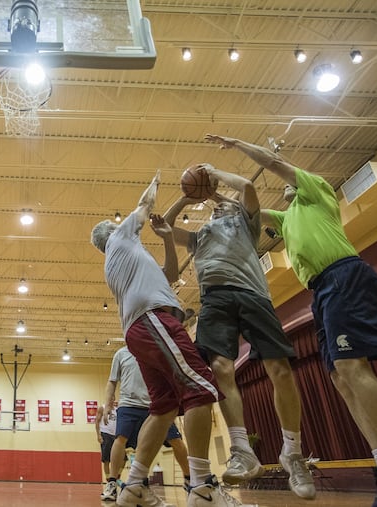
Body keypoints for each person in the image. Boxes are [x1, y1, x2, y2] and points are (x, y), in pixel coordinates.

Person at [205, 133, 377, 507]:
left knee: (353, 367)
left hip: (343, 274)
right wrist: (208, 191)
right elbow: (240, 206)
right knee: (341, 379)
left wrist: (235, 147)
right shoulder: (286, 218)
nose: (287, 188)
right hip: (321, 290)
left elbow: (272, 166)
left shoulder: (316, 191)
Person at [91, 170, 248, 507]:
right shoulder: (121, 240)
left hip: (142, 328)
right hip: (153, 320)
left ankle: (133, 486)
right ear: (113, 232)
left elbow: (172, 276)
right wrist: (156, 181)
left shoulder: (130, 259)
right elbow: (145, 204)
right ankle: (203, 486)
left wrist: (165, 237)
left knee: (162, 409)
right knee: (202, 388)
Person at [162, 163, 315, 500]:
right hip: (214, 300)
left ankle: (293, 452)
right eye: (216, 204)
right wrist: (188, 199)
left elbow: (246, 186)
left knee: (279, 369)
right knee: (220, 368)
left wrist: (215, 180)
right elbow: (165, 227)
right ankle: (243, 449)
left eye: (223, 204)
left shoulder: (246, 221)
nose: (218, 206)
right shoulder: (200, 236)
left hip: (253, 295)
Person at [101, 346, 191, 503]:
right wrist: (108, 404)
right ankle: (112, 483)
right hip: (129, 405)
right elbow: (112, 381)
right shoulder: (121, 354)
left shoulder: (155, 349)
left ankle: (190, 481)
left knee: (176, 441)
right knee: (120, 439)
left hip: (156, 405)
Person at [95, 400, 117, 492]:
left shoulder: (117, 410)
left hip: (115, 435)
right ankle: (108, 480)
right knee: (106, 459)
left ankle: (116, 477)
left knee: (120, 458)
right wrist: (98, 435)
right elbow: (97, 421)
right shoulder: (102, 407)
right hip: (105, 433)